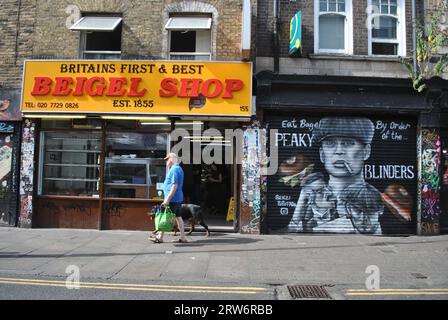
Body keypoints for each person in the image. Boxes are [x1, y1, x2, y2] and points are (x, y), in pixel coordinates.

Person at [288, 117, 384, 234]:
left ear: (366, 151)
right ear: (322, 154)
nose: (339, 151)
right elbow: (292, 233)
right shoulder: (312, 195)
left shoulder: (372, 199)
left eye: (348, 143)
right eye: (330, 143)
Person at [149, 152, 187, 243]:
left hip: (173, 199)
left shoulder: (174, 169)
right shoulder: (179, 168)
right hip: (178, 197)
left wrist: (167, 199)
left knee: (164, 216)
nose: (166, 161)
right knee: (178, 217)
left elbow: (174, 186)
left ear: (171, 159)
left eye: (167, 159)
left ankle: (160, 237)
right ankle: (183, 237)